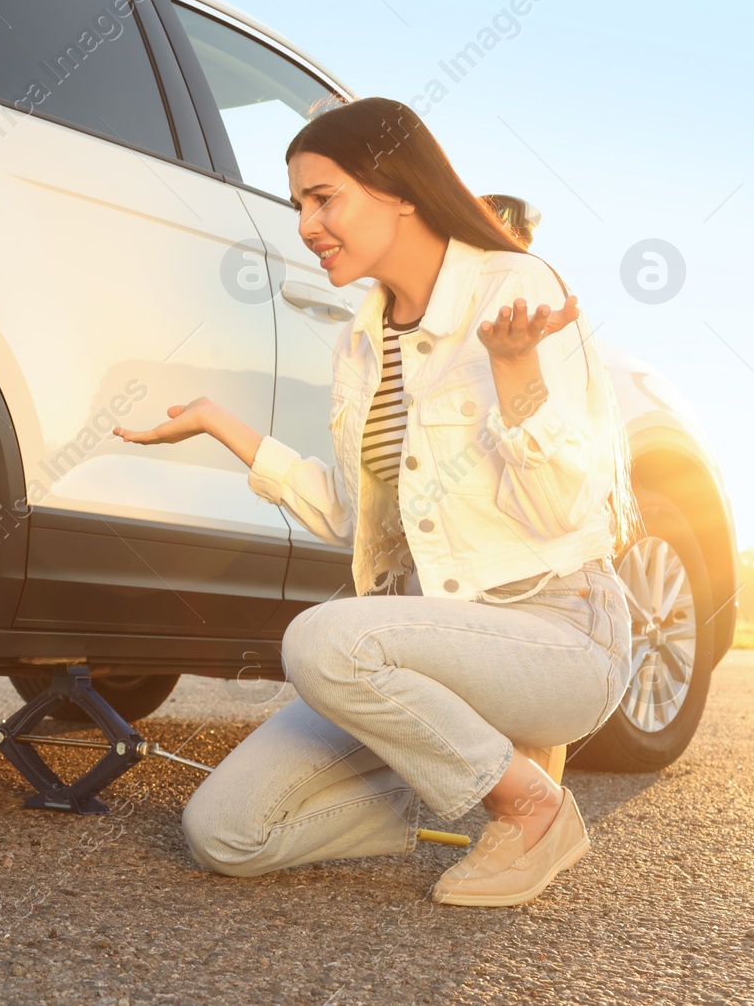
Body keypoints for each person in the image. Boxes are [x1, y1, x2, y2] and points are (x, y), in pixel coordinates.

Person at [112, 97, 641, 907]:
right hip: (424, 644)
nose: (307, 225)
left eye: (325, 198)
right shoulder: (362, 340)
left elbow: (568, 510)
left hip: (558, 634)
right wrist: (226, 428)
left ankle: (531, 808)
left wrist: (515, 376)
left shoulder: (514, 290)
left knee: (322, 639)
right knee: (226, 832)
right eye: (298, 206)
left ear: (398, 188)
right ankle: (452, 773)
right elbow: (364, 523)